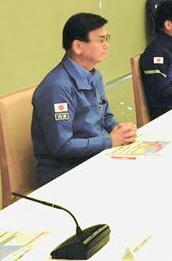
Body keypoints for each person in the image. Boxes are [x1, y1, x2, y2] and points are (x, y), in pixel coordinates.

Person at [31, 13, 137, 185]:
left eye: (107, 39)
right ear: (78, 46)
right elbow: (62, 146)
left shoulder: (94, 75)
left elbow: (105, 116)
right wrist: (109, 141)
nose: (107, 45)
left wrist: (120, 130)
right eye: (101, 40)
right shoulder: (57, 88)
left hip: (92, 158)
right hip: (63, 172)